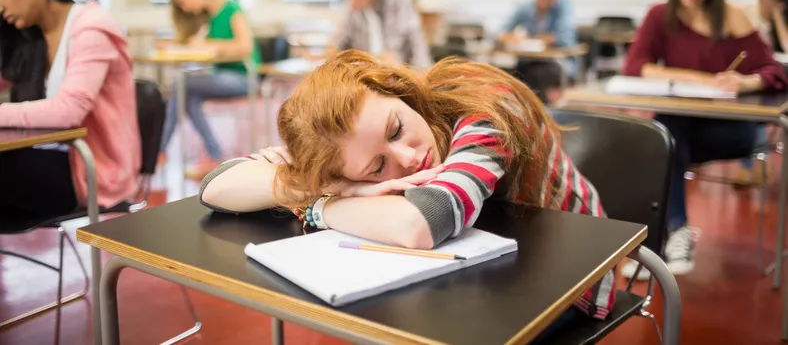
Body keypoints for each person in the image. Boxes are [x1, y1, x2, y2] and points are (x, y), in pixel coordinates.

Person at [198, 50, 616, 335]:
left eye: (397, 128)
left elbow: (423, 222)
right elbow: (218, 185)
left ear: (396, 89)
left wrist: (320, 204)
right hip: (473, 272)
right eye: (376, 166)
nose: (408, 156)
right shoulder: (343, 141)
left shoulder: (487, 106)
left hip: (567, 273)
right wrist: (318, 180)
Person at [621, 0, 788, 279]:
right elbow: (635, 65)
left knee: (662, 142)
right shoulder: (660, 15)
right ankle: (674, 233)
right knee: (665, 131)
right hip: (682, 130)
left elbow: (775, 71)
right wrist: (702, 79)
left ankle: (659, 240)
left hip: (732, 131)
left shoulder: (732, 17)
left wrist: (746, 82)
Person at [0, 0, 140, 219]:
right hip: (51, 158)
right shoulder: (31, 38)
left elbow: (68, 110)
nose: (1, 6)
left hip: (91, 170)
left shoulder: (92, 29)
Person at [158, 0, 260, 179]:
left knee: (182, 84)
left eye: (184, 2)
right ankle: (214, 155)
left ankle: (160, 149)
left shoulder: (231, 9)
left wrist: (211, 45)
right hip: (221, 77)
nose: (185, 8)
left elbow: (245, 47)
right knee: (188, 96)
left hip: (244, 78)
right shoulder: (208, 18)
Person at [734, 0, 788, 185]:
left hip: (781, 84)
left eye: (769, 1)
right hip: (757, 83)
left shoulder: (780, 19)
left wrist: (778, 17)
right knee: (752, 111)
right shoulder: (749, 14)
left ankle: (758, 163)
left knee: (765, 112)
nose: (762, 4)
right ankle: (752, 164)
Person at [330, 0, 431, 68]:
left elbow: (393, 53)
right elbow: (338, 41)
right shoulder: (354, 8)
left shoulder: (397, 2)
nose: (352, 1)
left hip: (403, 72)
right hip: (365, 73)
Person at [500, 0, 576, 104]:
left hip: (555, 63)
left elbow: (565, 39)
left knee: (533, 76)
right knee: (510, 74)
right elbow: (501, 32)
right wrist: (511, 37)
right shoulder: (526, 7)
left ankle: (541, 113)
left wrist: (537, 39)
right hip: (528, 61)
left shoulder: (564, 7)